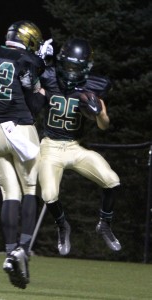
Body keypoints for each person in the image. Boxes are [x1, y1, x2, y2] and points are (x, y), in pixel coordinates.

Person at [0, 20, 52, 289]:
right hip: (20, 130)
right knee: (30, 189)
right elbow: (34, 103)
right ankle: (22, 249)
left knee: (10, 194)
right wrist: (41, 85)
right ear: (30, 40)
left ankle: (9, 253)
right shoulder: (27, 59)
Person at [36, 37, 121, 256]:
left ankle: (104, 224)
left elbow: (104, 125)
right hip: (51, 147)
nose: (72, 72)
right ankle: (63, 226)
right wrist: (37, 60)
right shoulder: (48, 76)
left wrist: (98, 113)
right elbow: (26, 75)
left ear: (86, 68)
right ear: (61, 62)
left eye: (77, 67)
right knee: (49, 194)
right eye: (68, 66)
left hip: (75, 147)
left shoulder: (94, 86)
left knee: (112, 181)